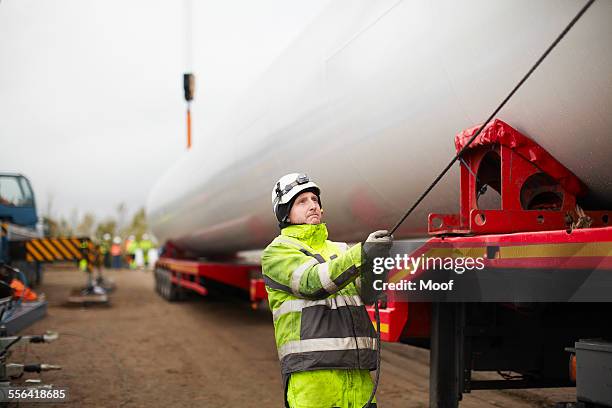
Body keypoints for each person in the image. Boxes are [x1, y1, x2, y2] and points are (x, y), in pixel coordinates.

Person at [262, 173, 393, 408]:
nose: (312, 205)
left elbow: (369, 294)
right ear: (285, 213)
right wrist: (362, 253)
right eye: (301, 201)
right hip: (313, 378)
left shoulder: (341, 249)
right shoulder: (277, 253)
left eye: (315, 199)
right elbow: (313, 282)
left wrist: (376, 262)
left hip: (357, 372)